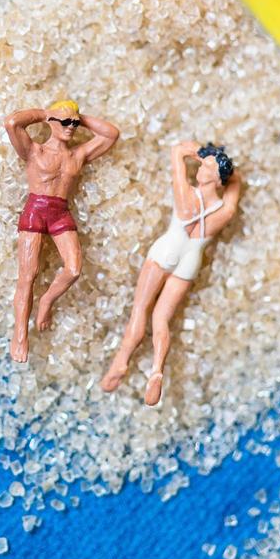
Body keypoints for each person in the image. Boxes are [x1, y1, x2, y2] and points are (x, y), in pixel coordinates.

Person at [101, 141, 241, 404]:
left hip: (168, 250)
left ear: (213, 176)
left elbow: (177, 151)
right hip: (191, 259)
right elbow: (235, 182)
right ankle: (156, 370)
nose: (199, 168)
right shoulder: (225, 210)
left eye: (205, 167)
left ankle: (121, 361)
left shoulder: (186, 197)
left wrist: (201, 151)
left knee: (140, 310)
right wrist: (223, 163)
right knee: (161, 319)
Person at [3, 100, 120, 363]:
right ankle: (20, 334)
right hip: (35, 209)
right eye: (65, 123)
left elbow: (111, 134)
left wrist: (78, 116)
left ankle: (46, 301)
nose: (71, 127)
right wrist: (46, 114)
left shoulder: (77, 155)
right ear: (51, 123)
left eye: (75, 124)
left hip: (60, 212)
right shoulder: (34, 150)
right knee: (27, 275)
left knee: (74, 269)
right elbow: (12, 122)